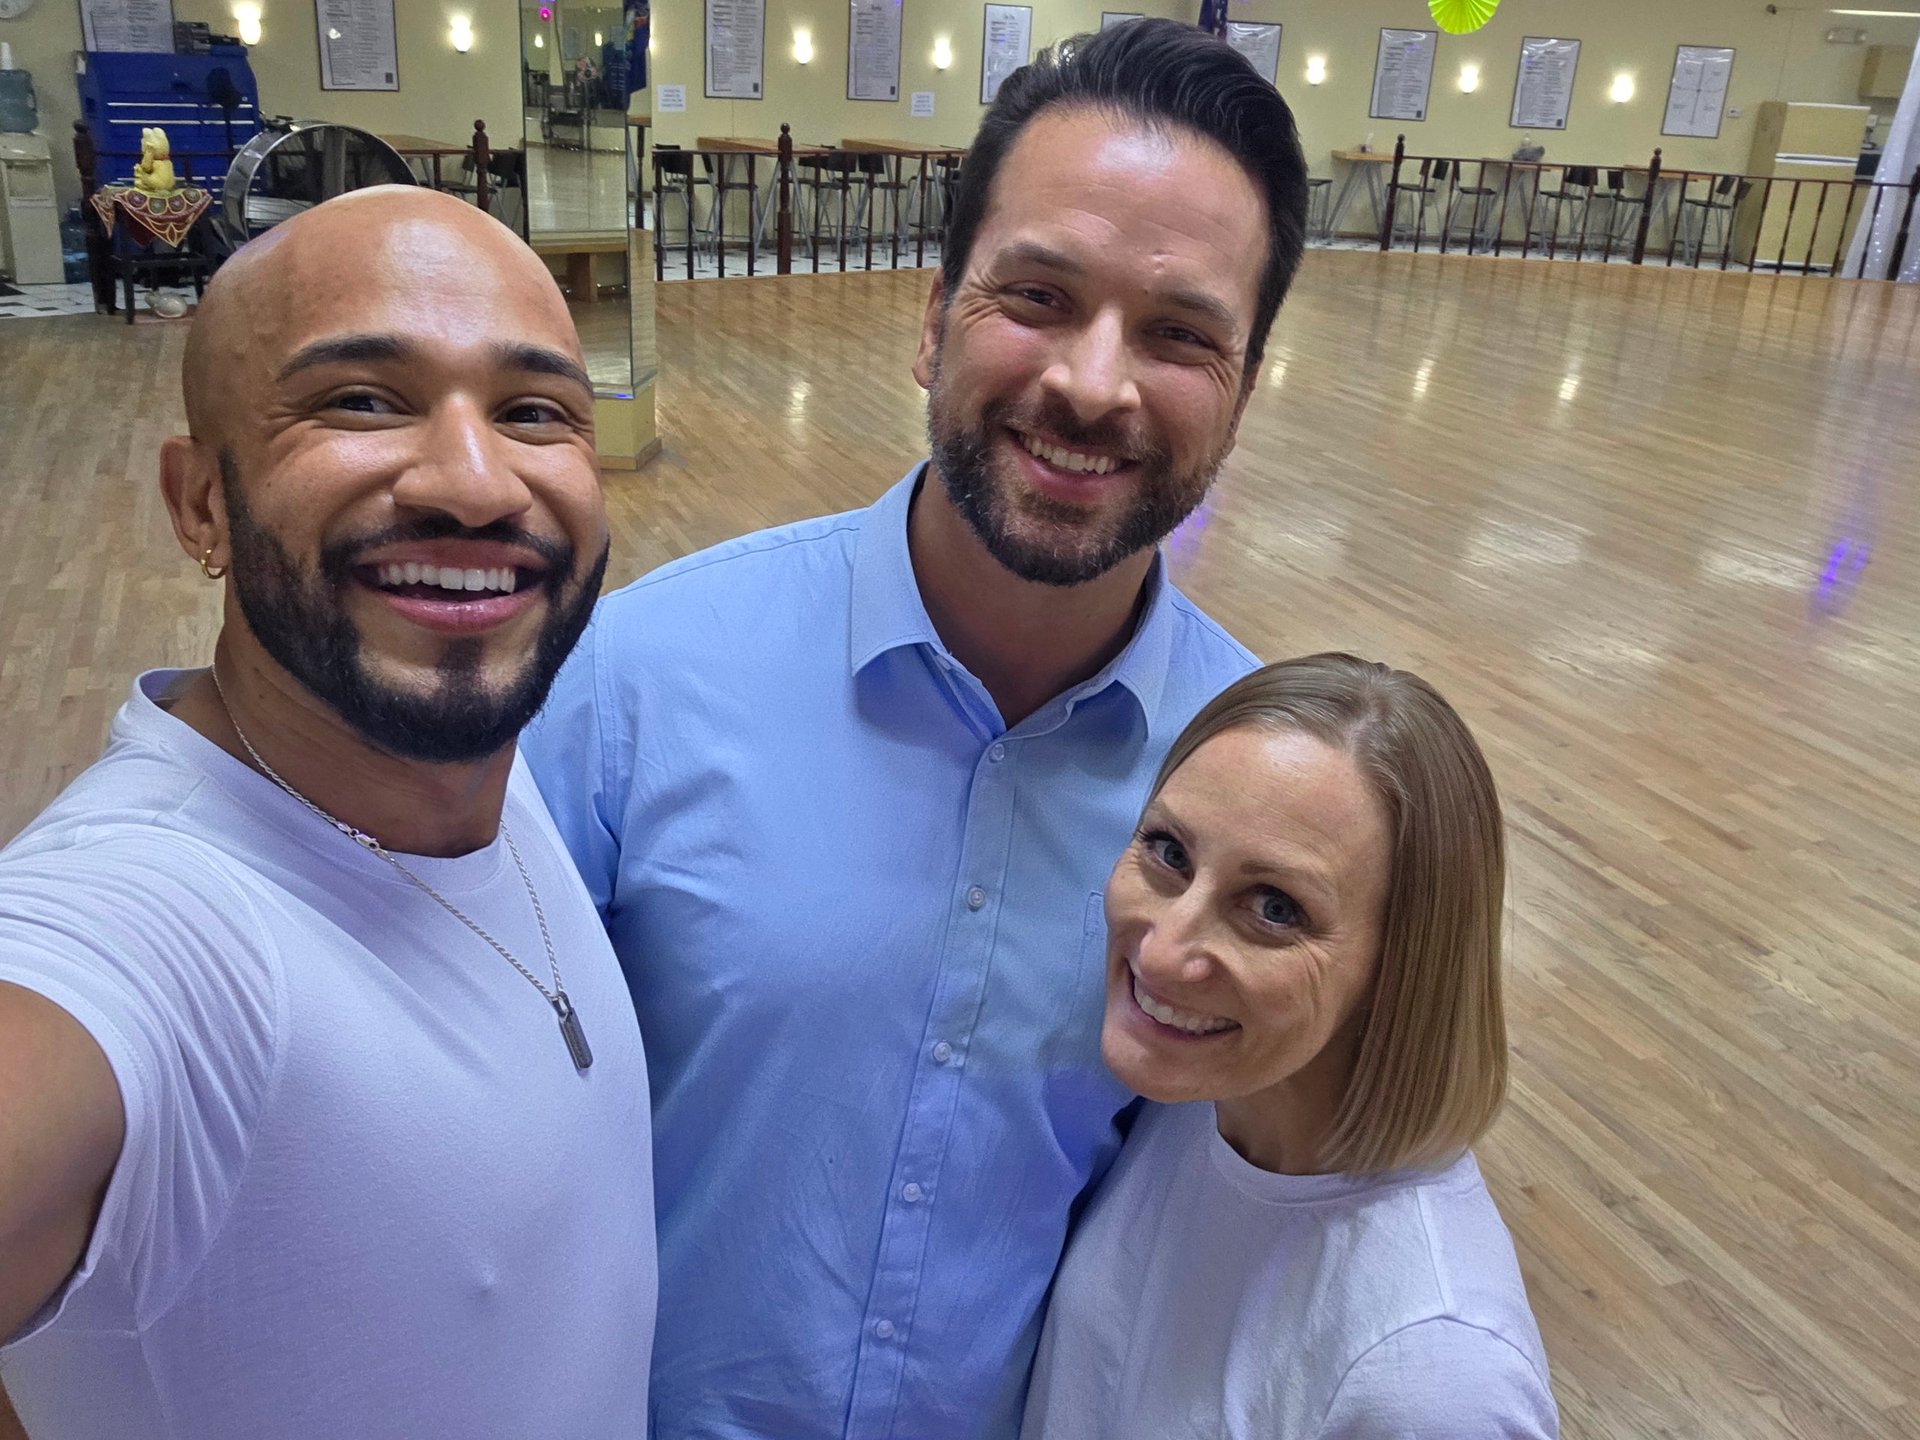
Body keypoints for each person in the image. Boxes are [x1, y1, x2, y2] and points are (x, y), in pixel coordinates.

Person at [522, 18, 1307, 1438]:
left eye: (1181, 332)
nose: (1092, 382)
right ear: (933, 317)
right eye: (1039, 295)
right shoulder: (639, 679)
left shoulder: (1252, 782)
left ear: (1243, 393)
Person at [0, 188, 656, 1439]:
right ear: (199, 505)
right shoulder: (154, 919)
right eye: (362, 399)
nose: (473, 483)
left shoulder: (468, 768)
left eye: (533, 412)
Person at [1019, 655, 1559, 1439]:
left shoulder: (1435, 1377)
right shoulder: (1195, 1103)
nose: (1165, 952)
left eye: (1274, 907)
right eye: (1169, 852)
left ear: (1404, 967)